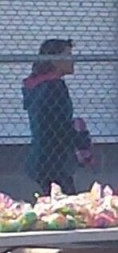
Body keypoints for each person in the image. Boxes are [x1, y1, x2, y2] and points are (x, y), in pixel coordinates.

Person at [22, 38, 92, 195]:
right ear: (54, 60)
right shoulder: (54, 86)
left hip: (42, 156)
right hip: (55, 160)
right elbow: (58, 126)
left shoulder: (37, 86)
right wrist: (81, 140)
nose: (72, 60)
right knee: (66, 204)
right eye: (67, 55)